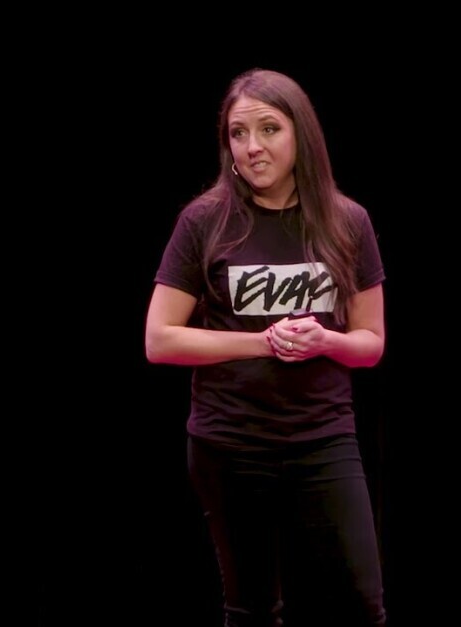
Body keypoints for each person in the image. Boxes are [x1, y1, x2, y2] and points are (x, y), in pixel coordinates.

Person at [145, 68, 388, 626]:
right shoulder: (204, 221)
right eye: (238, 133)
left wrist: (326, 340)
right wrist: (262, 343)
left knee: (360, 605)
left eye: (269, 129)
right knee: (251, 609)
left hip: (322, 440)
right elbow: (159, 338)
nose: (252, 146)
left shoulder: (347, 221)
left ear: (301, 133)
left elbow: (370, 343)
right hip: (229, 443)